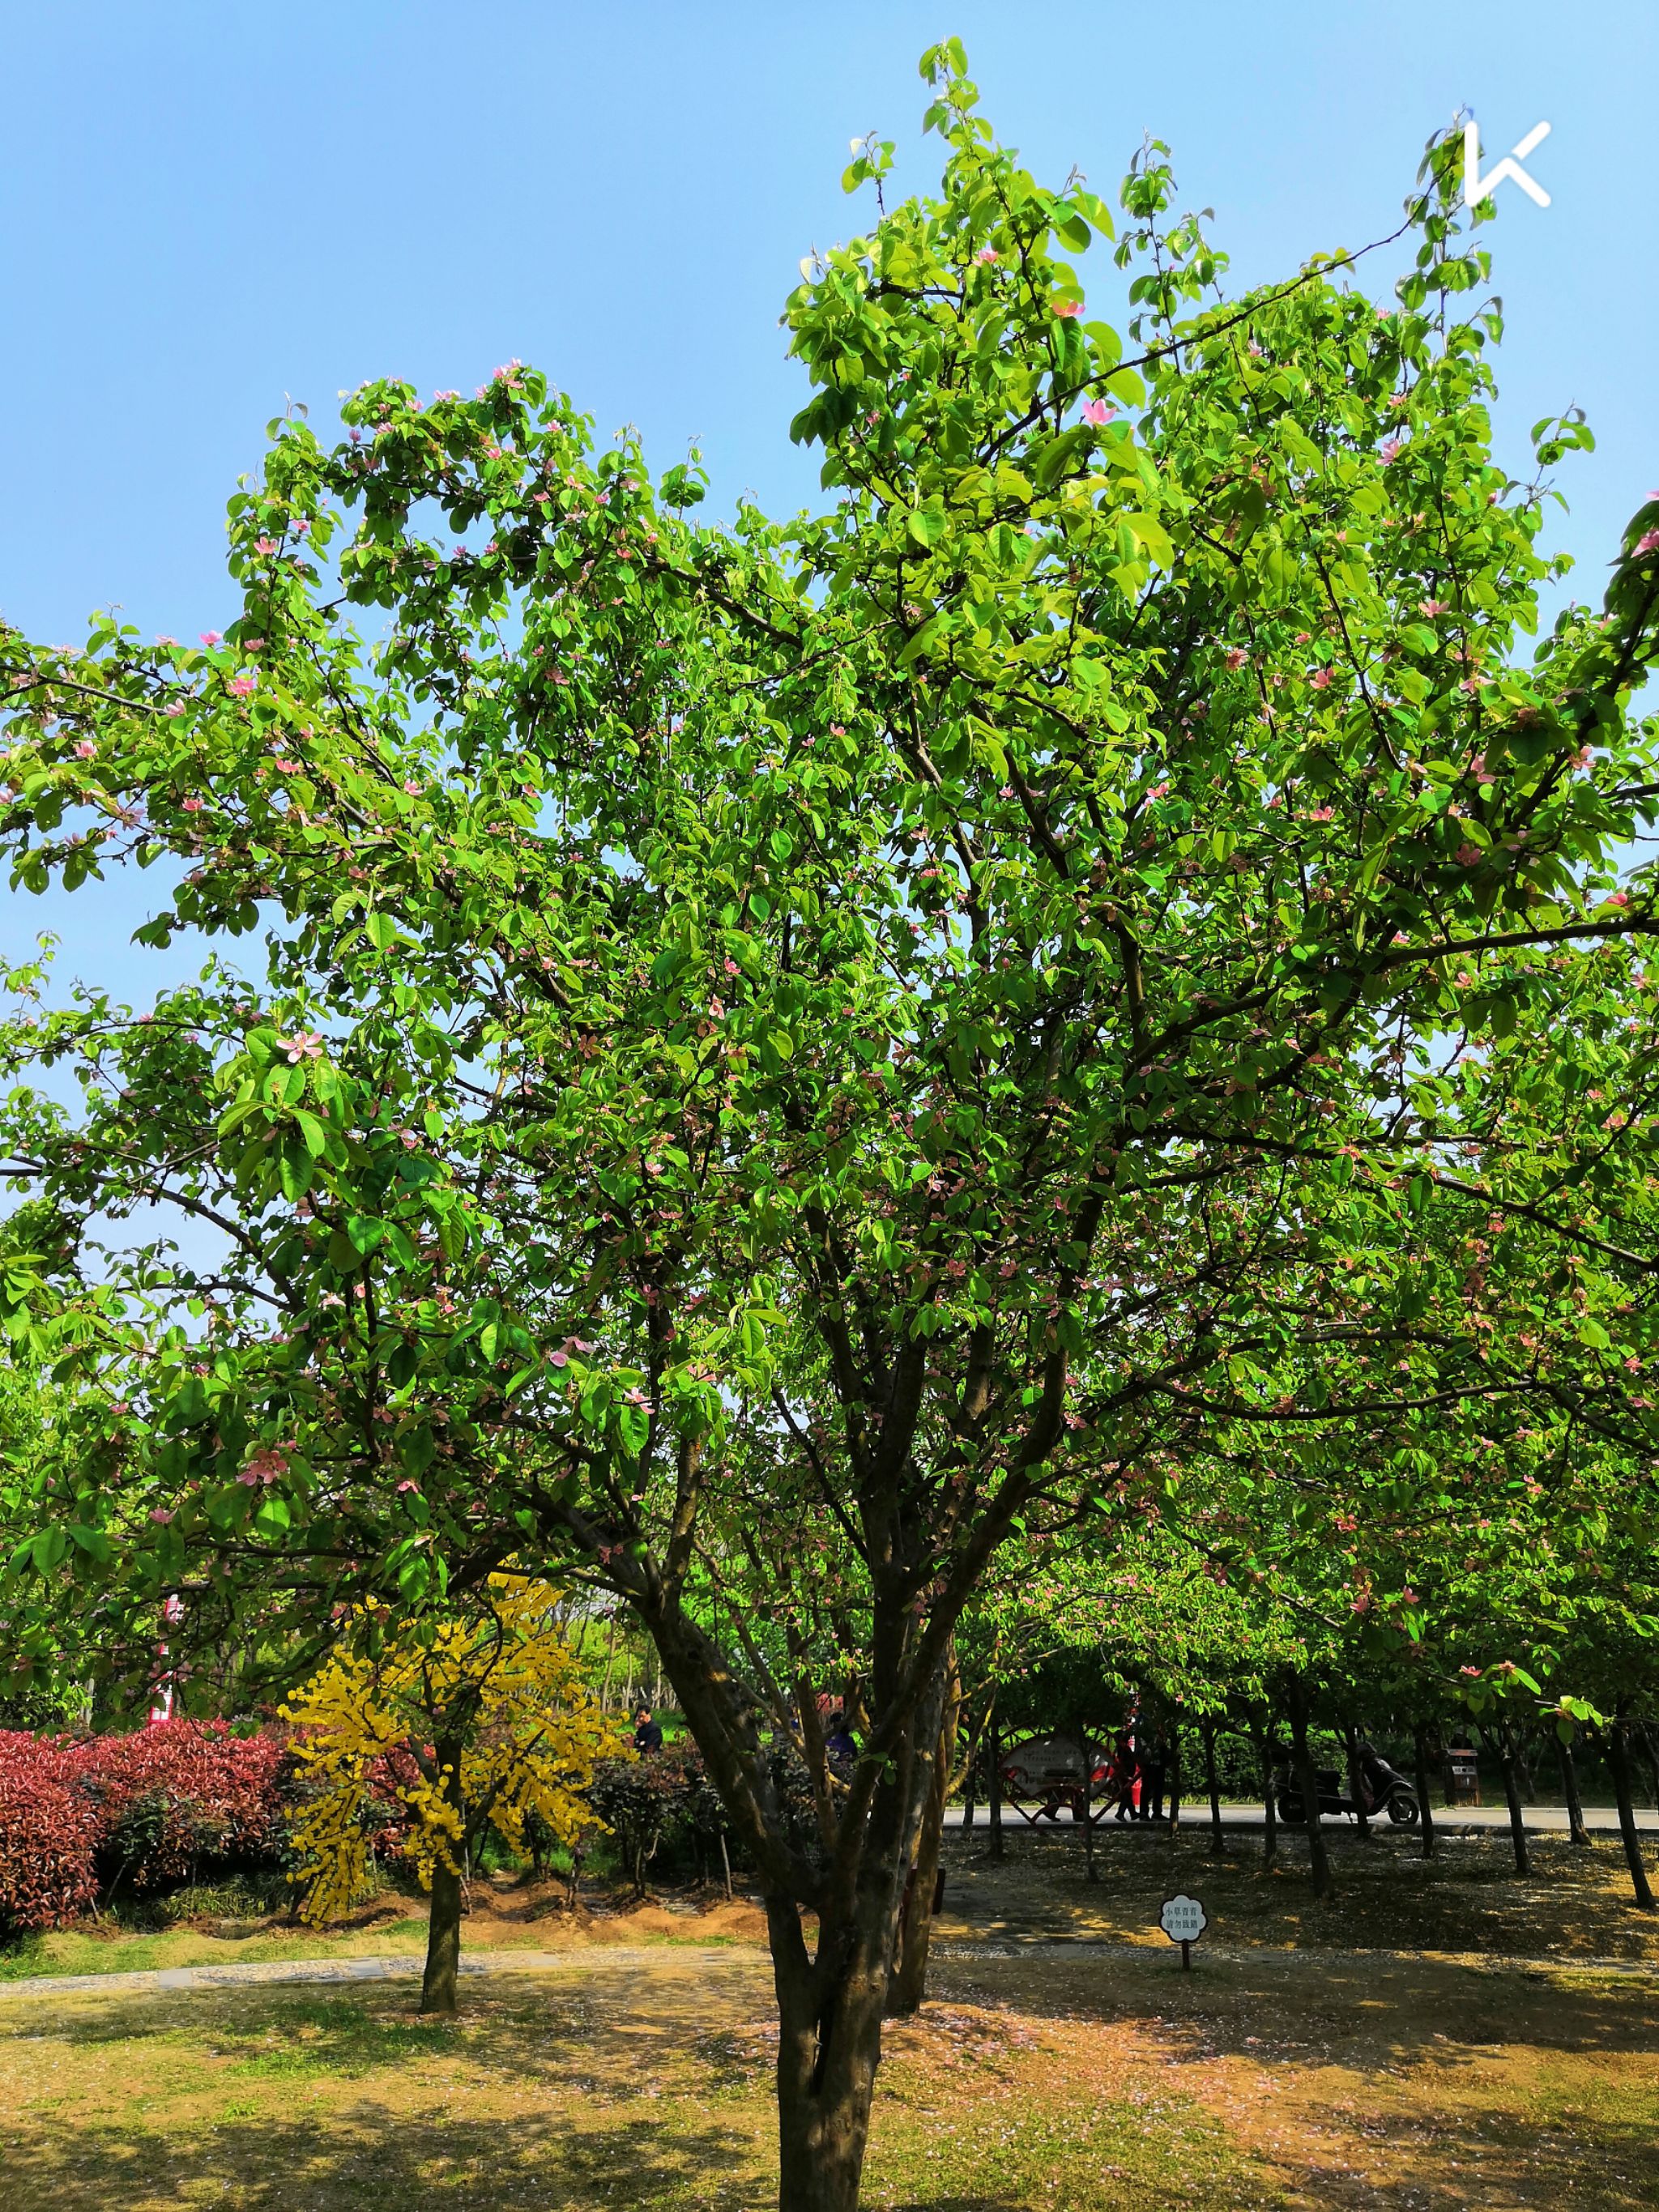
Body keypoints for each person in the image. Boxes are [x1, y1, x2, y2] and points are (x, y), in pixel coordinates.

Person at [1138, 1724, 1168, 1822]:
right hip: (1149, 1761)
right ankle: (1144, 1813)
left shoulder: (1161, 1726)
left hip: (1159, 1761)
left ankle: (1157, 1812)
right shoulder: (1146, 1728)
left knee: (1159, 1787)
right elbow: (1144, 1745)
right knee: (1147, 1787)